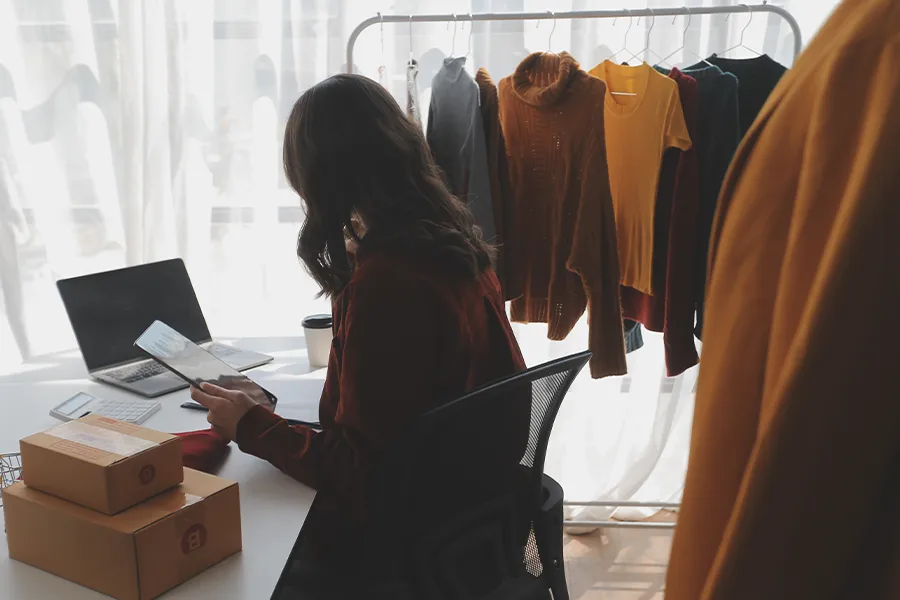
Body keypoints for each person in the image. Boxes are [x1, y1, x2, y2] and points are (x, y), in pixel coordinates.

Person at [189, 73, 526, 579]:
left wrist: (253, 427)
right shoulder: (453, 248)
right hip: (461, 510)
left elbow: (361, 473)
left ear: (319, 177)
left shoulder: (388, 284)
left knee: (225, 540)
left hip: (396, 537)